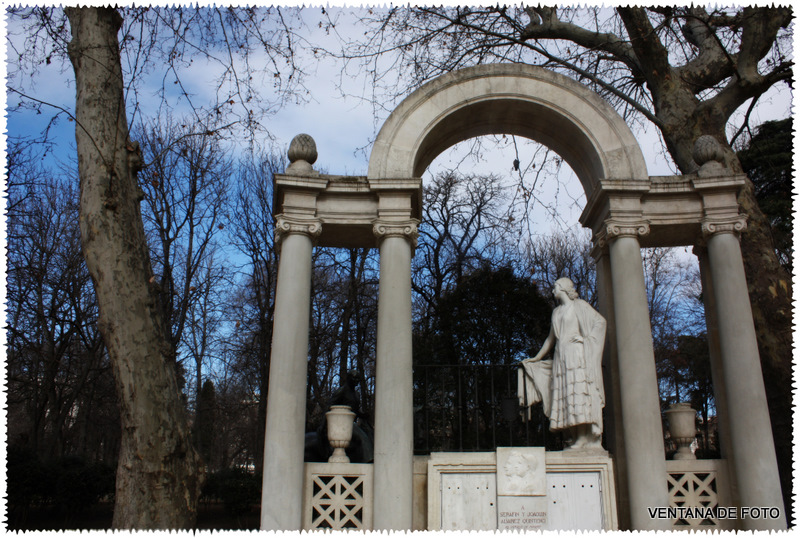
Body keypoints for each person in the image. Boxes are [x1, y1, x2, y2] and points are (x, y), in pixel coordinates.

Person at [519, 277, 606, 449]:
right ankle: (574, 437)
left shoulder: (579, 306)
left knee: (578, 395)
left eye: (555, 287)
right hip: (561, 357)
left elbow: (600, 322)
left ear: (564, 288)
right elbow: (550, 340)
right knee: (568, 397)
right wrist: (536, 358)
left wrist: (585, 339)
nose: (553, 291)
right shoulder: (556, 312)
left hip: (577, 356)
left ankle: (582, 438)